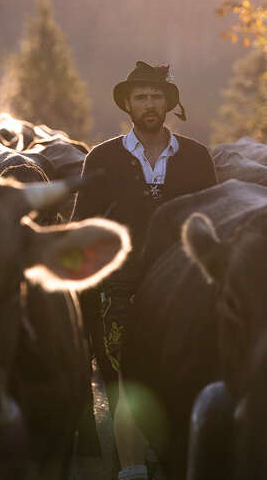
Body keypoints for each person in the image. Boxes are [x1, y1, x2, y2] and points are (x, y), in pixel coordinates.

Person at [72, 61, 217, 480]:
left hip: (184, 287)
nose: (149, 104)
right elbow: (85, 226)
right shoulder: (102, 158)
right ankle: (133, 471)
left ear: (169, 104)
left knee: (189, 373)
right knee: (124, 383)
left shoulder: (195, 156)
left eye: (156, 96)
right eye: (141, 98)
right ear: (128, 106)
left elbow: (209, 219)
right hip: (122, 289)